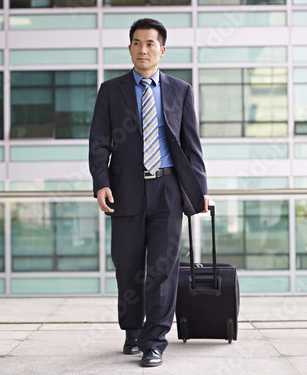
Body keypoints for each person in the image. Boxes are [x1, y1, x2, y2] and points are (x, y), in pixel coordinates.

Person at [88, 18, 209, 367]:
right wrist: (101, 182)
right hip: (125, 190)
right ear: (129, 49)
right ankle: (132, 329)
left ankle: (154, 340)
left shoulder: (180, 90)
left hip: (168, 189)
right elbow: (99, 142)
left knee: (163, 268)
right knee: (127, 267)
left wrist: (200, 190)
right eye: (137, 43)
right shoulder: (111, 90)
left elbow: (191, 145)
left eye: (151, 43)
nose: (144, 49)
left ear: (162, 49)